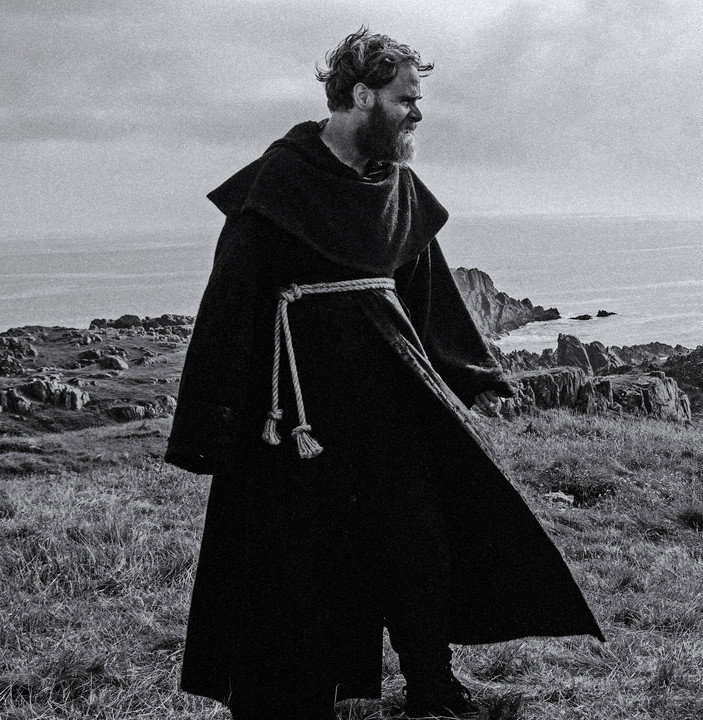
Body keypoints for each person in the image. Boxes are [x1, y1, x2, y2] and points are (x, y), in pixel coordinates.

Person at [166, 28, 602, 720]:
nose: (417, 114)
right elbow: (231, 303)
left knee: (418, 542)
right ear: (362, 95)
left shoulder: (396, 187)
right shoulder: (279, 184)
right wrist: (215, 423)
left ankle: (432, 681)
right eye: (406, 99)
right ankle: (305, 696)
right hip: (304, 419)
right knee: (305, 561)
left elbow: (426, 294)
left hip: (393, 408)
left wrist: (471, 374)